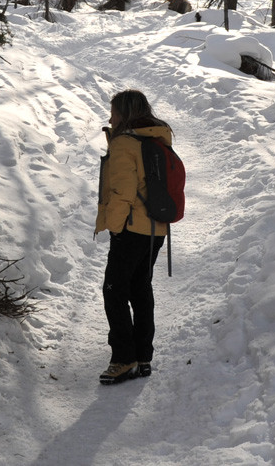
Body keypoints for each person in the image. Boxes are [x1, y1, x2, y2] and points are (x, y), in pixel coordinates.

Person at [94, 89, 171, 385]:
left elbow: (122, 191)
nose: (110, 117)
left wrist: (114, 226)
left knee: (114, 290)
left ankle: (123, 359)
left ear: (125, 114)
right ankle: (142, 356)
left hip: (131, 227)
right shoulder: (155, 137)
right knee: (140, 288)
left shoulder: (126, 143)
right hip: (156, 228)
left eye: (114, 112)